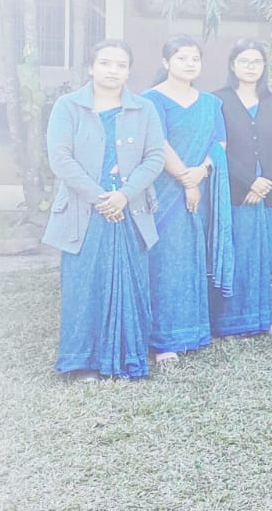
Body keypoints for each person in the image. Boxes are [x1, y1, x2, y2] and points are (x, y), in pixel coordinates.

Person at [45, 40, 166, 380]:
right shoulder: (68, 106)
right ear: (90, 67)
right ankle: (82, 362)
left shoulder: (144, 109)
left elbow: (155, 157)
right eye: (105, 63)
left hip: (130, 209)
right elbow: (61, 159)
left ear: (129, 71)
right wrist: (102, 198)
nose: (113, 70)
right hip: (84, 211)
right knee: (84, 283)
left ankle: (129, 357)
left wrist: (124, 195)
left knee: (132, 281)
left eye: (121, 65)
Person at [143, 35, 230, 360]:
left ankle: (193, 332)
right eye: (182, 58)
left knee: (194, 255)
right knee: (166, 258)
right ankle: (164, 339)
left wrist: (201, 172)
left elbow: (219, 143)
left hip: (201, 187)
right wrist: (185, 179)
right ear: (166, 62)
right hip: (165, 191)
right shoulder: (151, 100)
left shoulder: (210, 103)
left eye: (195, 58)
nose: (190, 64)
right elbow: (158, 142)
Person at [213, 40, 272, 337]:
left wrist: (265, 181)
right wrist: (249, 181)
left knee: (262, 256)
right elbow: (218, 148)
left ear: (264, 67)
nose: (251, 67)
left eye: (257, 61)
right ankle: (230, 321)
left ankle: (261, 319)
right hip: (235, 192)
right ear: (233, 65)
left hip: (267, 193)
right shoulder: (218, 101)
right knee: (237, 254)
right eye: (244, 61)